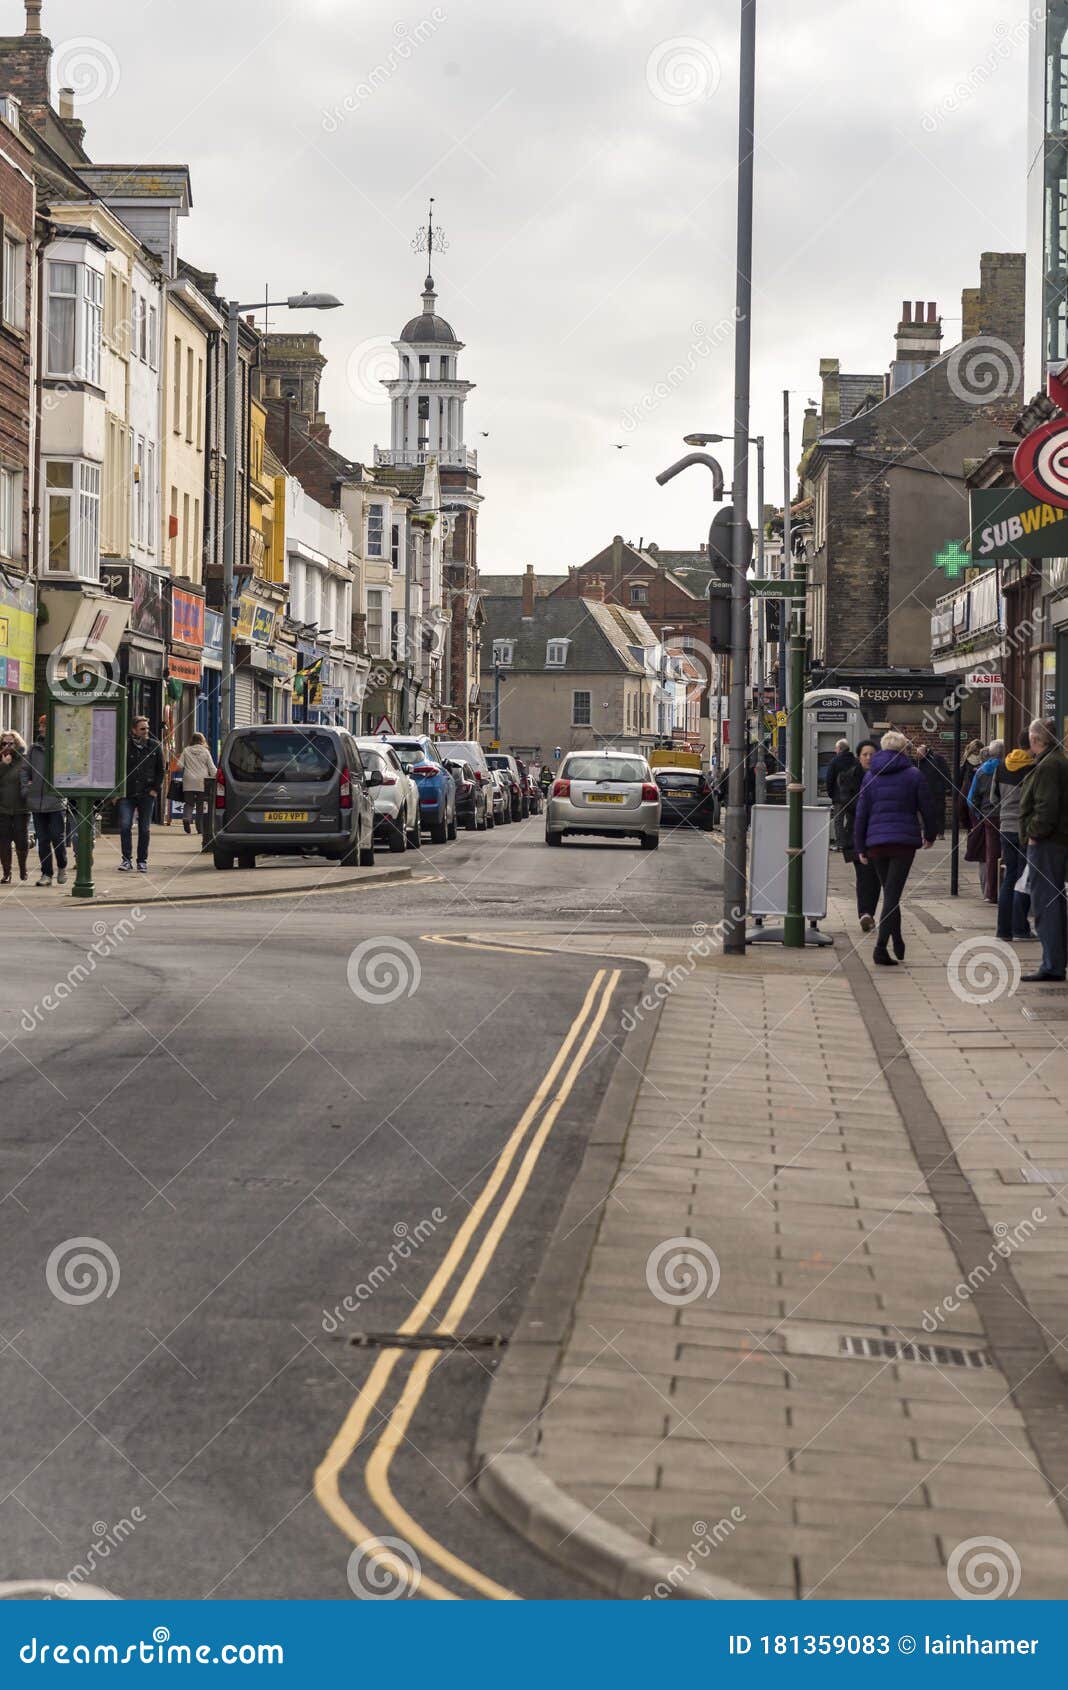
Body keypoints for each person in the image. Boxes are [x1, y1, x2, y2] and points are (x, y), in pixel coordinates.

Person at [854, 729, 938, 966]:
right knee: (892, 894)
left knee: (891, 892)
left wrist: (860, 846)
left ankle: (898, 939)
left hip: (876, 844)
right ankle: (881, 947)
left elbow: (862, 815)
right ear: (903, 750)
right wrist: (930, 834)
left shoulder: (870, 776)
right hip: (903, 843)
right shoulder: (913, 775)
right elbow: (928, 807)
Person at [1019, 718, 1068, 983]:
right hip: (1055, 841)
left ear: (1036, 739)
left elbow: (1046, 806)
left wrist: (1035, 834)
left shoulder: (1049, 765)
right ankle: (1056, 959)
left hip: (1047, 843)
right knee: (1055, 901)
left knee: (1045, 902)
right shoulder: (1056, 760)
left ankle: (1052, 964)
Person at [990, 732, 1034, 943]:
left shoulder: (1002, 766)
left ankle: (1003, 930)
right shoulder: (1033, 768)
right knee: (1023, 879)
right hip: (1025, 829)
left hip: (1006, 828)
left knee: (1009, 878)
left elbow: (992, 798)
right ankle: (1020, 928)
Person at [836, 739, 879, 930]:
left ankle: (870, 912)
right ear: (858, 757)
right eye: (865, 754)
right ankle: (864, 913)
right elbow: (846, 801)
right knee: (863, 874)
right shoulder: (849, 776)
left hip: (878, 833)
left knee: (876, 876)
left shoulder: (882, 775)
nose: (869, 758)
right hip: (857, 832)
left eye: (872, 754)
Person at [20, 724, 69, 886]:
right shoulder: (34, 749)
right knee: (43, 840)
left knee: (57, 837)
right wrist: (26, 788)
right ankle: (46, 874)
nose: (41, 729)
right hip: (36, 802)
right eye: (41, 726)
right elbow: (24, 769)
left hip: (55, 802)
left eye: (44, 726)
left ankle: (62, 867)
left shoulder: (62, 748)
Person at [118, 716, 164, 873]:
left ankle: (142, 861)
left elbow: (160, 771)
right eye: (142, 728)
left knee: (144, 829)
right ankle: (126, 860)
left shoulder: (155, 746)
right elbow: (117, 769)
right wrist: (115, 794)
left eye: (147, 728)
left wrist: (155, 790)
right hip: (127, 794)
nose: (146, 731)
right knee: (125, 826)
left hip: (146, 794)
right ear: (134, 730)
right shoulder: (125, 746)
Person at [968, 739, 1004, 903]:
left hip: (988, 817)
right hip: (1005, 816)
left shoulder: (982, 771)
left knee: (991, 855)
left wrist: (978, 815)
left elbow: (971, 798)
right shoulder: (1006, 768)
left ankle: (991, 893)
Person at [0, 729, 29, 884]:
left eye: (11, 743)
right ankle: (7, 873)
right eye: (4, 743)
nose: (8, 746)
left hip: (21, 808)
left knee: (21, 841)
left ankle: (23, 869)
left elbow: (30, 778)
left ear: (17, 744)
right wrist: (4, 765)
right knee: (3, 842)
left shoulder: (24, 760)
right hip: (2, 809)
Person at [178, 732, 217, 836]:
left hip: (188, 780)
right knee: (201, 805)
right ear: (202, 740)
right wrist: (217, 776)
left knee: (189, 803)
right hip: (202, 781)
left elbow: (179, 766)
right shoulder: (205, 751)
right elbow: (212, 768)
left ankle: (186, 818)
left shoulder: (186, 750)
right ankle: (200, 828)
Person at [914, 741, 952, 838]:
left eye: (919, 754)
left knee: (939, 811)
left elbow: (945, 772)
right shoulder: (918, 762)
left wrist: (948, 786)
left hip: (937, 790)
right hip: (925, 790)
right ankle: (929, 832)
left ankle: (940, 832)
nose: (918, 756)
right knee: (927, 811)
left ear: (925, 752)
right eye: (917, 754)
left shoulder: (937, 758)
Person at [827, 739, 858, 851]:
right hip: (852, 796)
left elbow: (829, 779)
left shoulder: (834, 761)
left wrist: (831, 794)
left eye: (836, 748)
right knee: (851, 820)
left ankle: (840, 844)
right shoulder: (855, 761)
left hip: (838, 796)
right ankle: (850, 842)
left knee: (838, 821)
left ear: (839, 749)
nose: (835, 750)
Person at [956, 737, 984, 828]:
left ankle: (970, 827)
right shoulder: (967, 759)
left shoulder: (967, 759)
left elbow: (960, 776)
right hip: (970, 787)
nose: (976, 753)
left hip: (971, 788)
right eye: (975, 751)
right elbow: (960, 776)